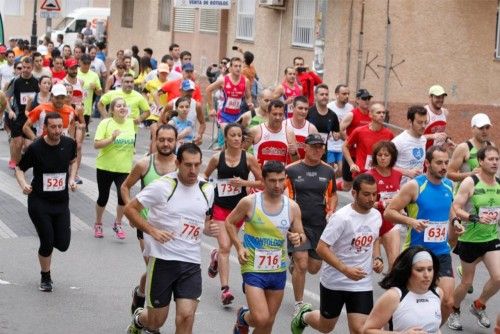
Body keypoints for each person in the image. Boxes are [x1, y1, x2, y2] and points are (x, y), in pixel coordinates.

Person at [124, 143, 220, 334]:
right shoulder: (163, 186)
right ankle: (139, 320)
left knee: (186, 316)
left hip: (191, 262)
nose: (193, 170)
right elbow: (130, 209)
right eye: (188, 165)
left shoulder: (207, 189)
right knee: (155, 322)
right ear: (177, 163)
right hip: (162, 260)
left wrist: (211, 228)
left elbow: (205, 223)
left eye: (197, 165)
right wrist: (152, 230)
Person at [291, 174, 383, 334]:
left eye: (374, 194)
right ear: (354, 194)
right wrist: (345, 269)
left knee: (360, 329)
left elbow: (376, 238)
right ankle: (303, 316)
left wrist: (377, 257)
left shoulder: (376, 215)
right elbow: (321, 248)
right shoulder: (341, 218)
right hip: (335, 281)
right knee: (325, 327)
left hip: (362, 282)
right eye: (366, 194)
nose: (371, 199)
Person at [384, 145, 465, 322]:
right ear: (427, 163)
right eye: (439, 163)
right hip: (416, 251)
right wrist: (411, 221)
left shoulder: (449, 185)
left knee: (447, 302)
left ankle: (433, 329)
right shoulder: (415, 186)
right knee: (404, 300)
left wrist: (455, 221)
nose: (444, 167)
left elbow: (449, 207)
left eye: (446, 162)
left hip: (441, 252)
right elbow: (389, 212)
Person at [226, 161, 305, 334]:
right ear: (263, 179)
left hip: (277, 269)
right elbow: (230, 222)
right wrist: (239, 247)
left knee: (268, 322)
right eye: (272, 180)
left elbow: (301, 234)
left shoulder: (292, 206)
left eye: (281, 180)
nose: (278, 185)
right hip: (253, 266)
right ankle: (243, 317)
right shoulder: (249, 202)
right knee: (261, 318)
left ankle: (244, 320)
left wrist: (297, 237)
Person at [15, 112, 77, 292]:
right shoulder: (36, 148)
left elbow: (73, 162)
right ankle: (46, 277)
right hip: (39, 202)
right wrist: (23, 184)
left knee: (63, 245)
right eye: (53, 127)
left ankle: (51, 239)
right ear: (45, 128)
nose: (57, 131)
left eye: (60, 126)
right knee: (47, 241)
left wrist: (72, 178)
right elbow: (19, 168)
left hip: (61, 202)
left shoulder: (69, 144)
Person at [120, 124, 178, 315]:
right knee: (154, 266)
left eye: (170, 140)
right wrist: (131, 211)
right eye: (161, 139)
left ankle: (140, 292)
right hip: (146, 225)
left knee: (157, 268)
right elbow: (125, 187)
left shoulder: (182, 165)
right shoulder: (144, 164)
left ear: (176, 141)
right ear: (155, 141)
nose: (166, 143)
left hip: (172, 227)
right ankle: (152, 317)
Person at [203, 123, 263, 306]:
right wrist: (208, 197)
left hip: (239, 210)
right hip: (220, 207)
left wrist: (244, 183)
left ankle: (215, 257)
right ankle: (225, 290)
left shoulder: (249, 158)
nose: (237, 139)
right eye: (233, 135)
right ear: (226, 138)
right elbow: (204, 179)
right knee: (225, 247)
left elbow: (261, 183)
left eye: (239, 136)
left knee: (227, 244)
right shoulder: (216, 158)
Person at [448, 146, 500, 331]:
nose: (495, 162)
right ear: (480, 161)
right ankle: (454, 310)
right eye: (491, 159)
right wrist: (473, 217)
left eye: (497, 159)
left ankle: (479, 305)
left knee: (499, 277)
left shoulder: (499, 184)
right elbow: (456, 207)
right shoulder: (471, 182)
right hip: (470, 239)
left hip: (491, 238)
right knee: (467, 282)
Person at [286, 133, 337, 314]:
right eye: (313, 146)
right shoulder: (291, 170)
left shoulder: (328, 171)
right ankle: (299, 304)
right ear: (305, 147)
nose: (317, 150)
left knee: (313, 268)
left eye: (320, 147)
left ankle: (294, 265)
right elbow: (283, 195)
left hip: (319, 225)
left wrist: (331, 210)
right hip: (298, 224)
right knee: (302, 263)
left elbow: (333, 195)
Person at [362, 246, 443, 333]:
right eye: (419, 270)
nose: (427, 275)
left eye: (430, 269)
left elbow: (436, 329)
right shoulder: (393, 296)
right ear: (407, 271)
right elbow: (367, 330)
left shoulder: (438, 293)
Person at [93, 97, 136, 239]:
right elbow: (96, 144)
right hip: (105, 166)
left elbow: (131, 142)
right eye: (118, 106)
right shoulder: (106, 123)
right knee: (103, 197)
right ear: (112, 110)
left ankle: (118, 223)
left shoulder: (130, 123)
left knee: (122, 198)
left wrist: (132, 150)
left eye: (124, 105)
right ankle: (98, 223)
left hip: (124, 168)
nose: (122, 108)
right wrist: (111, 138)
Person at [365, 141, 402, 270]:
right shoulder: (369, 176)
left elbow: (400, 198)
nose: (382, 158)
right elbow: (365, 203)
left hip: (390, 222)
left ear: (392, 157)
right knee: (374, 265)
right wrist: (383, 203)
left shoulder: (397, 174)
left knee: (394, 261)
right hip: (372, 221)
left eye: (386, 155)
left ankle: (392, 286)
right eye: (379, 155)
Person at [343, 103, 394, 176]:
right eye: (378, 112)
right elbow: (345, 147)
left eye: (384, 113)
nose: (382, 115)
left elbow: (393, 154)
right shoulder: (359, 131)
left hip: (380, 174)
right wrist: (351, 164)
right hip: (361, 173)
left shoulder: (389, 134)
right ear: (370, 114)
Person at [7, 57, 39, 169]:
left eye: (28, 68)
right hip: (18, 116)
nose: (25, 70)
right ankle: (18, 167)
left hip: (31, 118)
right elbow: (6, 97)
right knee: (18, 142)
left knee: (30, 146)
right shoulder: (15, 81)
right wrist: (10, 110)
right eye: (23, 67)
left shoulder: (37, 82)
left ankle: (20, 159)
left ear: (32, 68)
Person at [337, 88, 373, 191]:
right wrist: (349, 140)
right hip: (351, 154)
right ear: (357, 100)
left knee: (362, 185)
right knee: (347, 186)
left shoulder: (371, 115)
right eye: (364, 98)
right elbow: (339, 128)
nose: (367, 101)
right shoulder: (352, 114)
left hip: (364, 156)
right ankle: (333, 186)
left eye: (368, 99)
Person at [247, 99, 298, 166]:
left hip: (281, 175)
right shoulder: (255, 130)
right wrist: (251, 162)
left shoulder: (289, 132)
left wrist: (294, 153)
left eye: (280, 114)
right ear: (268, 113)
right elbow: (241, 151)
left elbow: (296, 162)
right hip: (259, 175)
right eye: (274, 114)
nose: (277, 117)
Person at [448, 113, 493, 184]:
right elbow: (449, 174)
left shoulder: (491, 146)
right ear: (473, 128)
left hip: (486, 193)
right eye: (481, 128)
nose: (484, 131)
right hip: (467, 193)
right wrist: (470, 174)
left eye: (487, 127)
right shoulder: (464, 148)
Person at [206, 57, 253, 125]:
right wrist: (211, 108)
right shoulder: (223, 80)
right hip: (223, 115)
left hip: (238, 115)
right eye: (235, 66)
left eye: (240, 66)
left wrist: (249, 103)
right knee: (225, 134)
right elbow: (208, 90)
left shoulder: (246, 81)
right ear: (230, 68)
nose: (238, 68)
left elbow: (248, 97)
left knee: (234, 134)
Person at [392, 105, 428, 185]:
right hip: (400, 190)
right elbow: (385, 167)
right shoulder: (398, 142)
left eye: (425, 122)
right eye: (419, 122)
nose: (423, 126)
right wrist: (407, 172)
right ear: (410, 122)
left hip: (418, 188)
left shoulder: (423, 140)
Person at [306, 84, 340, 162]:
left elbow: (336, 134)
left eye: (326, 94)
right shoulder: (308, 112)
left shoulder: (333, 115)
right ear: (315, 96)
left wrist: (336, 136)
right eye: (322, 94)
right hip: (308, 151)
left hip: (322, 152)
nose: (324, 96)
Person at [326, 84, 353, 173]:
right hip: (330, 145)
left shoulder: (350, 108)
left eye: (348, 94)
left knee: (341, 171)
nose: (347, 96)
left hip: (343, 145)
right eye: (344, 94)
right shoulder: (329, 107)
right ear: (337, 94)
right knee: (330, 172)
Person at [285, 95, 318, 160]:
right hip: (285, 167)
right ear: (292, 108)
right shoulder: (284, 124)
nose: (303, 111)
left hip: (304, 168)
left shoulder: (312, 128)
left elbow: (317, 152)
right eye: (300, 108)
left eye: (306, 109)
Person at [77, 54, 102, 136]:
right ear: (80, 62)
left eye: (88, 64)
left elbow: (99, 92)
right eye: (85, 63)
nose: (87, 66)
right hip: (75, 106)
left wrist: (95, 88)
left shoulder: (94, 75)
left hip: (86, 108)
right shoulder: (75, 72)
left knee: (82, 132)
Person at [424, 84, 454, 150]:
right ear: (430, 97)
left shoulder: (445, 112)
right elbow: (415, 137)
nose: (441, 100)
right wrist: (432, 136)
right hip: (425, 154)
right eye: (438, 97)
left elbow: (439, 133)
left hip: (438, 153)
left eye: (442, 97)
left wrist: (447, 140)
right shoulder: (424, 112)